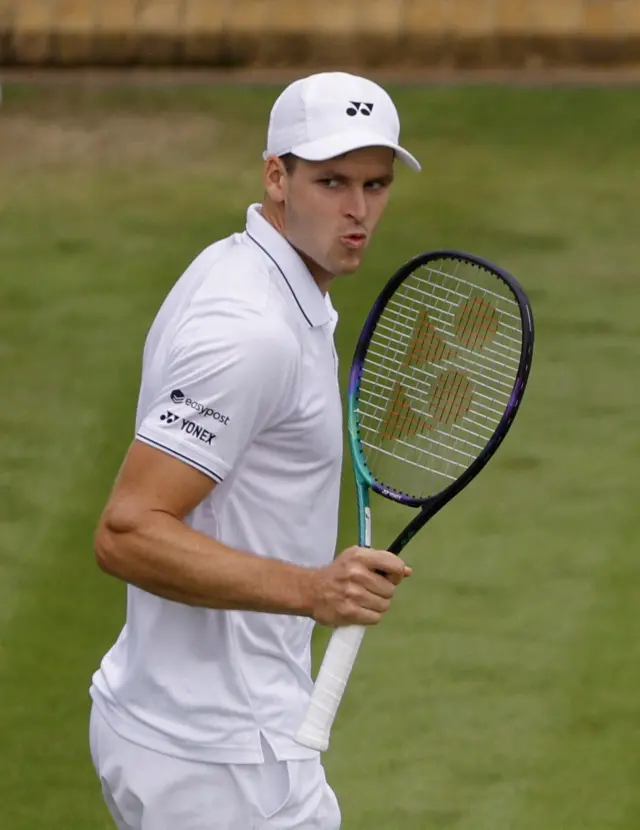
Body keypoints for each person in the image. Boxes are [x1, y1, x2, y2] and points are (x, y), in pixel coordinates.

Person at [88, 71, 421, 830]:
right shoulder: (252, 331)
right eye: (331, 181)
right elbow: (127, 530)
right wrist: (312, 591)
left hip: (179, 730)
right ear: (277, 175)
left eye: (376, 184)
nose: (358, 210)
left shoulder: (242, 269)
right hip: (225, 763)